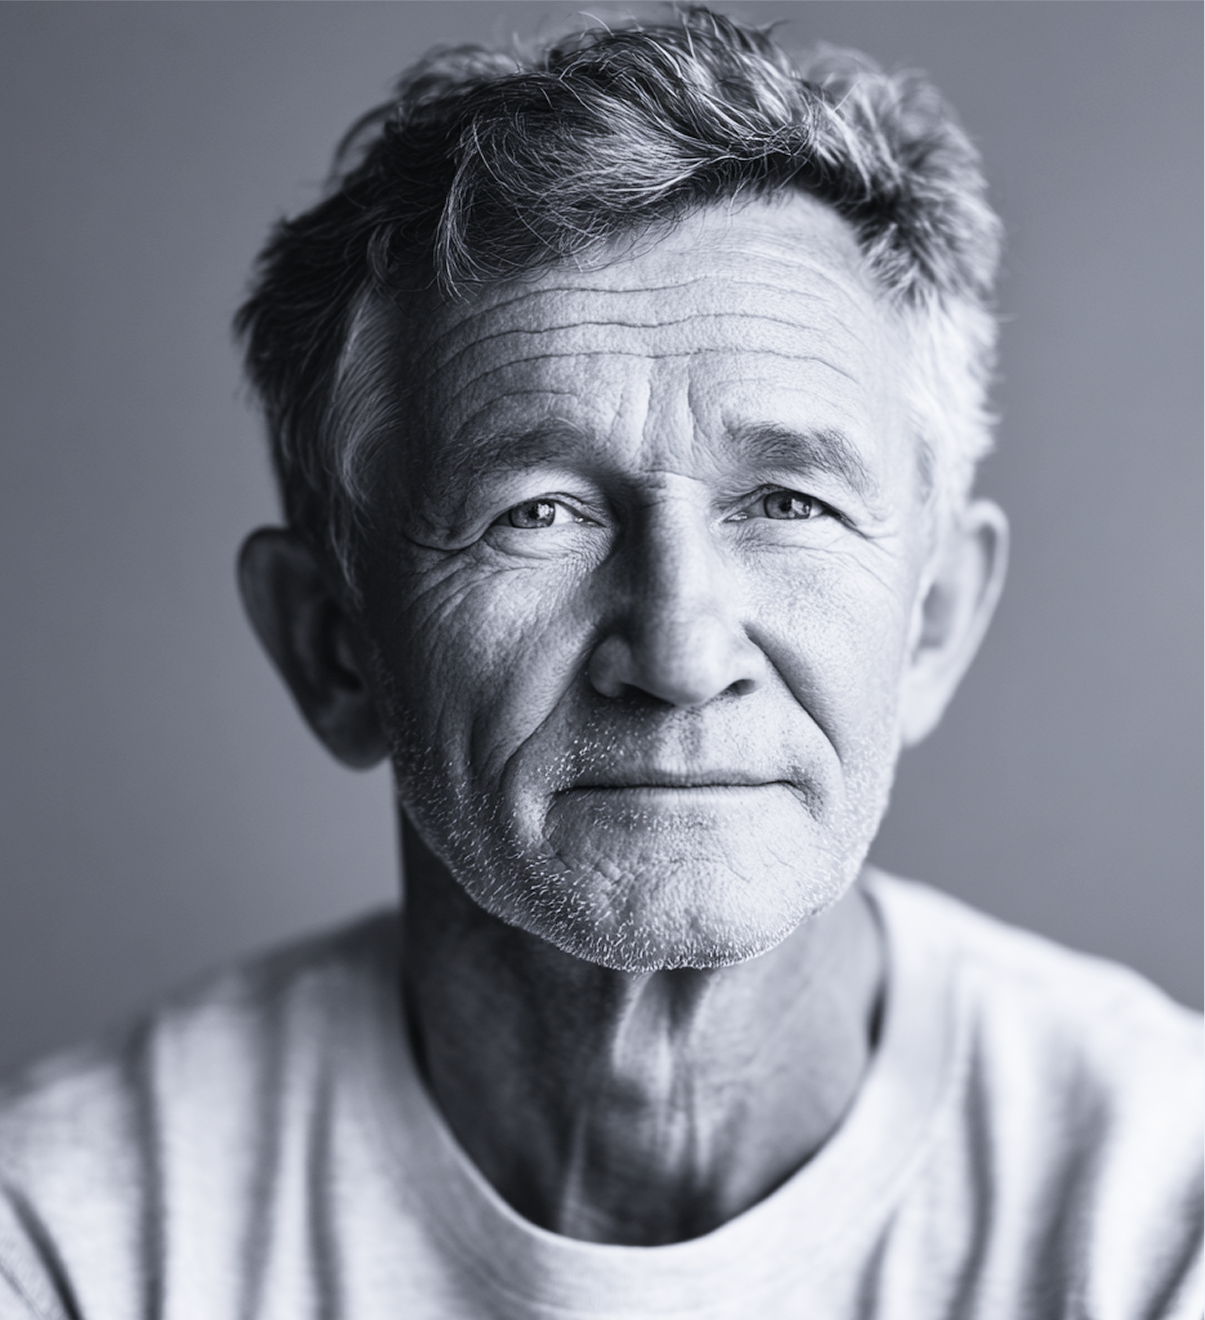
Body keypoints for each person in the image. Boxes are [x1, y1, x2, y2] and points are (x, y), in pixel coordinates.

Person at [0, 9, 1199, 1317]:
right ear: (333, 647)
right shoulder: (64, 1239)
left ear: (933, 620)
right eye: (539, 513)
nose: (679, 655)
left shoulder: (1160, 1214)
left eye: (787, 503)